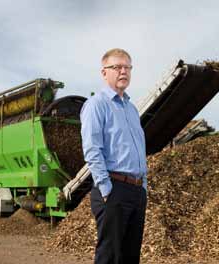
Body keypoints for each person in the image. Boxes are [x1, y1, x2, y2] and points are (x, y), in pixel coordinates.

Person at [80, 48, 147, 264]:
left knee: (130, 258)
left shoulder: (132, 109)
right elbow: (92, 149)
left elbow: (139, 150)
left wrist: (143, 187)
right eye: (117, 67)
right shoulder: (96, 105)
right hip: (113, 189)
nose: (123, 71)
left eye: (127, 67)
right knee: (110, 257)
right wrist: (106, 188)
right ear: (104, 72)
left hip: (136, 191)